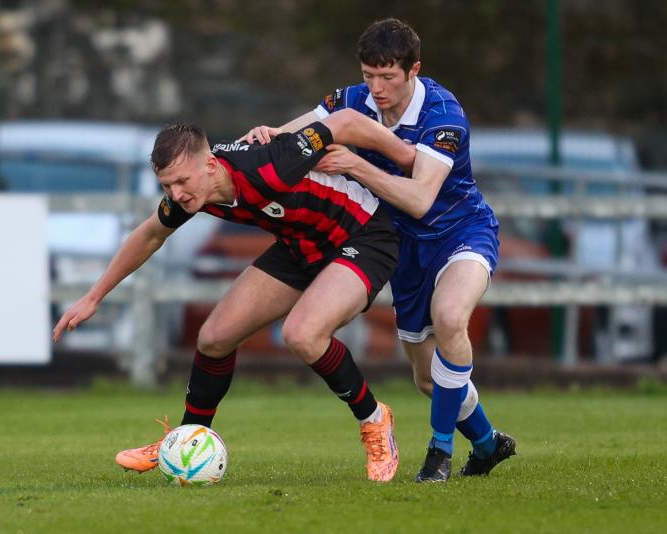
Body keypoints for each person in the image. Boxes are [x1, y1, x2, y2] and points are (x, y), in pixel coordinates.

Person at [53, 108, 417, 482]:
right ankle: (185, 440)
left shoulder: (269, 162)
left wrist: (406, 156)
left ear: (210, 165)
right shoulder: (191, 193)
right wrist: (93, 297)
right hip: (299, 246)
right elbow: (149, 235)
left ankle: (375, 420)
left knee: (303, 334)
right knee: (214, 337)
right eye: (166, 186)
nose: (175, 194)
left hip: (363, 236)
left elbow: (347, 121)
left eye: (181, 181)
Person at [240, 18, 516, 482]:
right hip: (403, 250)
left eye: (388, 76)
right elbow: (293, 140)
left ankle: (439, 453)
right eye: (370, 75)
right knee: (428, 379)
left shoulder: (443, 115)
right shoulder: (350, 102)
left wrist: (353, 164)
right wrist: (265, 140)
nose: (377, 87)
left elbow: (419, 198)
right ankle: (487, 443)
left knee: (451, 316)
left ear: (414, 71)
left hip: (459, 231)